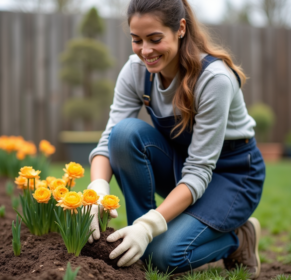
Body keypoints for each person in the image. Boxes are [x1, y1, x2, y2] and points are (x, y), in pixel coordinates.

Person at [86, 0, 265, 278]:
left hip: (233, 175)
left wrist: (150, 227)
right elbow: (109, 138)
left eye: (155, 39)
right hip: (183, 164)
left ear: (180, 29)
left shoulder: (214, 79)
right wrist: (97, 188)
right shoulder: (135, 71)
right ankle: (141, 240)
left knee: (164, 257)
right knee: (124, 135)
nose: (145, 51)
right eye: (137, 40)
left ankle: (239, 238)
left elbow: (199, 170)